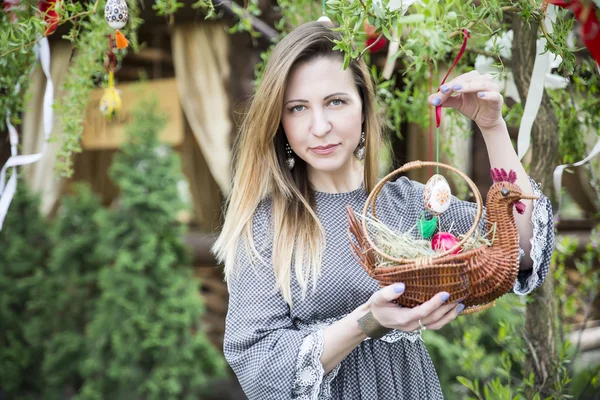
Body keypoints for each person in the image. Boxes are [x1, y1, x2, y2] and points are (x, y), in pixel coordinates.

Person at [212, 21, 554, 400]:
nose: (320, 126)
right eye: (297, 108)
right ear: (281, 121)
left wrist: (492, 128)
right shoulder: (266, 225)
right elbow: (259, 367)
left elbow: (521, 249)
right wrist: (367, 321)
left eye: (335, 101)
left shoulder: (411, 205)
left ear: (363, 109)